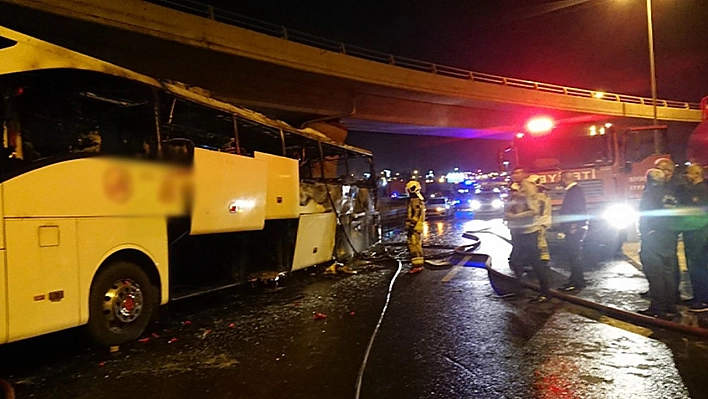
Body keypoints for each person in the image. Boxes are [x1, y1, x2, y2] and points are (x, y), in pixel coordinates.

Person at [638, 168, 679, 319]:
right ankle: (670, 305)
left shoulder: (650, 194)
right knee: (668, 272)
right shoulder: (669, 193)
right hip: (668, 237)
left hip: (653, 238)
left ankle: (657, 307)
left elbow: (647, 215)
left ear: (649, 180)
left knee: (655, 273)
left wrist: (647, 232)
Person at [505, 167, 550, 301]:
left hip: (529, 230)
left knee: (535, 262)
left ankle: (545, 292)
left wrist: (514, 217)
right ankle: (520, 289)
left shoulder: (528, 188)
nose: (514, 175)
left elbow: (533, 211)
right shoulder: (518, 187)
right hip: (519, 230)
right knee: (516, 261)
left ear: (524, 174)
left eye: (517, 172)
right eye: (513, 172)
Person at [679, 163, 708, 312]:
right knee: (698, 266)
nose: (686, 176)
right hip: (697, 234)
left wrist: (681, 226)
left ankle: (702, 300)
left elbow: (699, 215)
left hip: (698, 235)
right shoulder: (698, 190)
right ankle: (699, 296)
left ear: (696, 175)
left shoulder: (700, 191)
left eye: (689, 173)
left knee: (697, 267)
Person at [558, 171, 587, 291]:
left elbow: (577, 209)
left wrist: (573, 226)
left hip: (573, 228)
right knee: (574, 254)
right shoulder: (575, 190)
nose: (560, 181)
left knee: (573, 255)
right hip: (573, 227)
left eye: (561, 179)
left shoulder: (574, 191)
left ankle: (576, 281)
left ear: (565, 179)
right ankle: (576, 279)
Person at [529, 174, 552, 264]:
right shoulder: (544, 195)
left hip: (539, 221)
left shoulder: (539, 197)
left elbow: (536, 210)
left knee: (539, 240)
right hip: (543, 221)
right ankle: (544, 257)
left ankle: (542, 259)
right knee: (541, 239)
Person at [405, 180, 426, 274]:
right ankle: (419, 265)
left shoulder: (415, 201)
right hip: (417, 227)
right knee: (417, 245)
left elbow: (416, 214)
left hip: (415, 227)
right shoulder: (419, 199)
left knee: (413, 246)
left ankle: (416, 266)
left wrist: (411, 225)